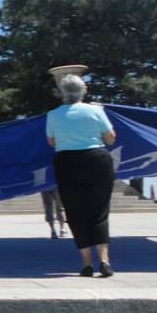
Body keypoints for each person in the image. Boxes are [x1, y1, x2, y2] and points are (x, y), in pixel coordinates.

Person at [46, 74, 117, 278]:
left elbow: (51, 142)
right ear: (82, 91)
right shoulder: (95, 110)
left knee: (74, 211)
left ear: (63, 92)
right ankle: (104, 260)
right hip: (97, 159)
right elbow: (110, 138)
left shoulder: (53, 114)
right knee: (100, 210)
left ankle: (86, 263)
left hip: (67, 161)